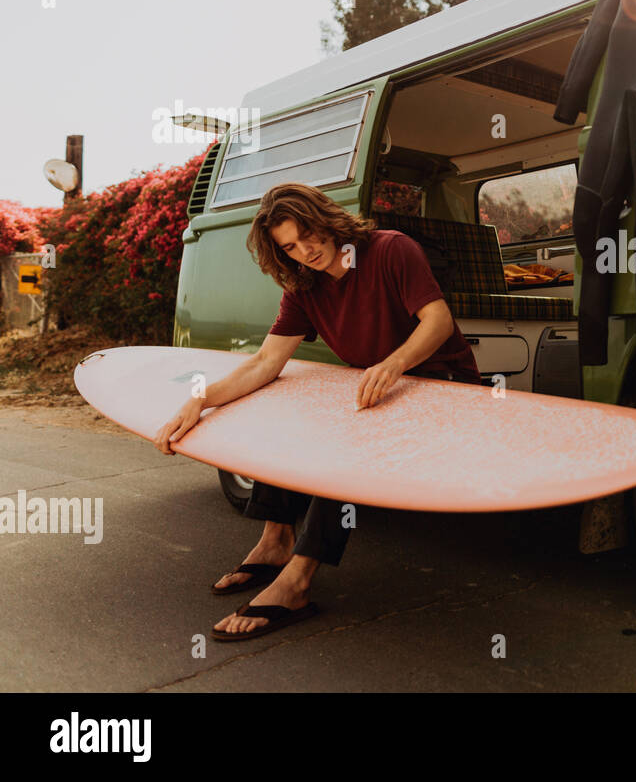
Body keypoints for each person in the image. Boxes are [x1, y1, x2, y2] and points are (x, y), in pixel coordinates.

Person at [152, 182, 481, 640]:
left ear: (326, 220)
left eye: (308, 235)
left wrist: (394, 363)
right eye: (289, 246)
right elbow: (266, 363)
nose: (305, 251)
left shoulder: (390, 250)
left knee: (345, 441)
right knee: (281, 404)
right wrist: (200, 399)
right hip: (381, 388)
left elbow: (438, 320)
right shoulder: (303, 286)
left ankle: (297, 581)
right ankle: (275, 541)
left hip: (442, 384)